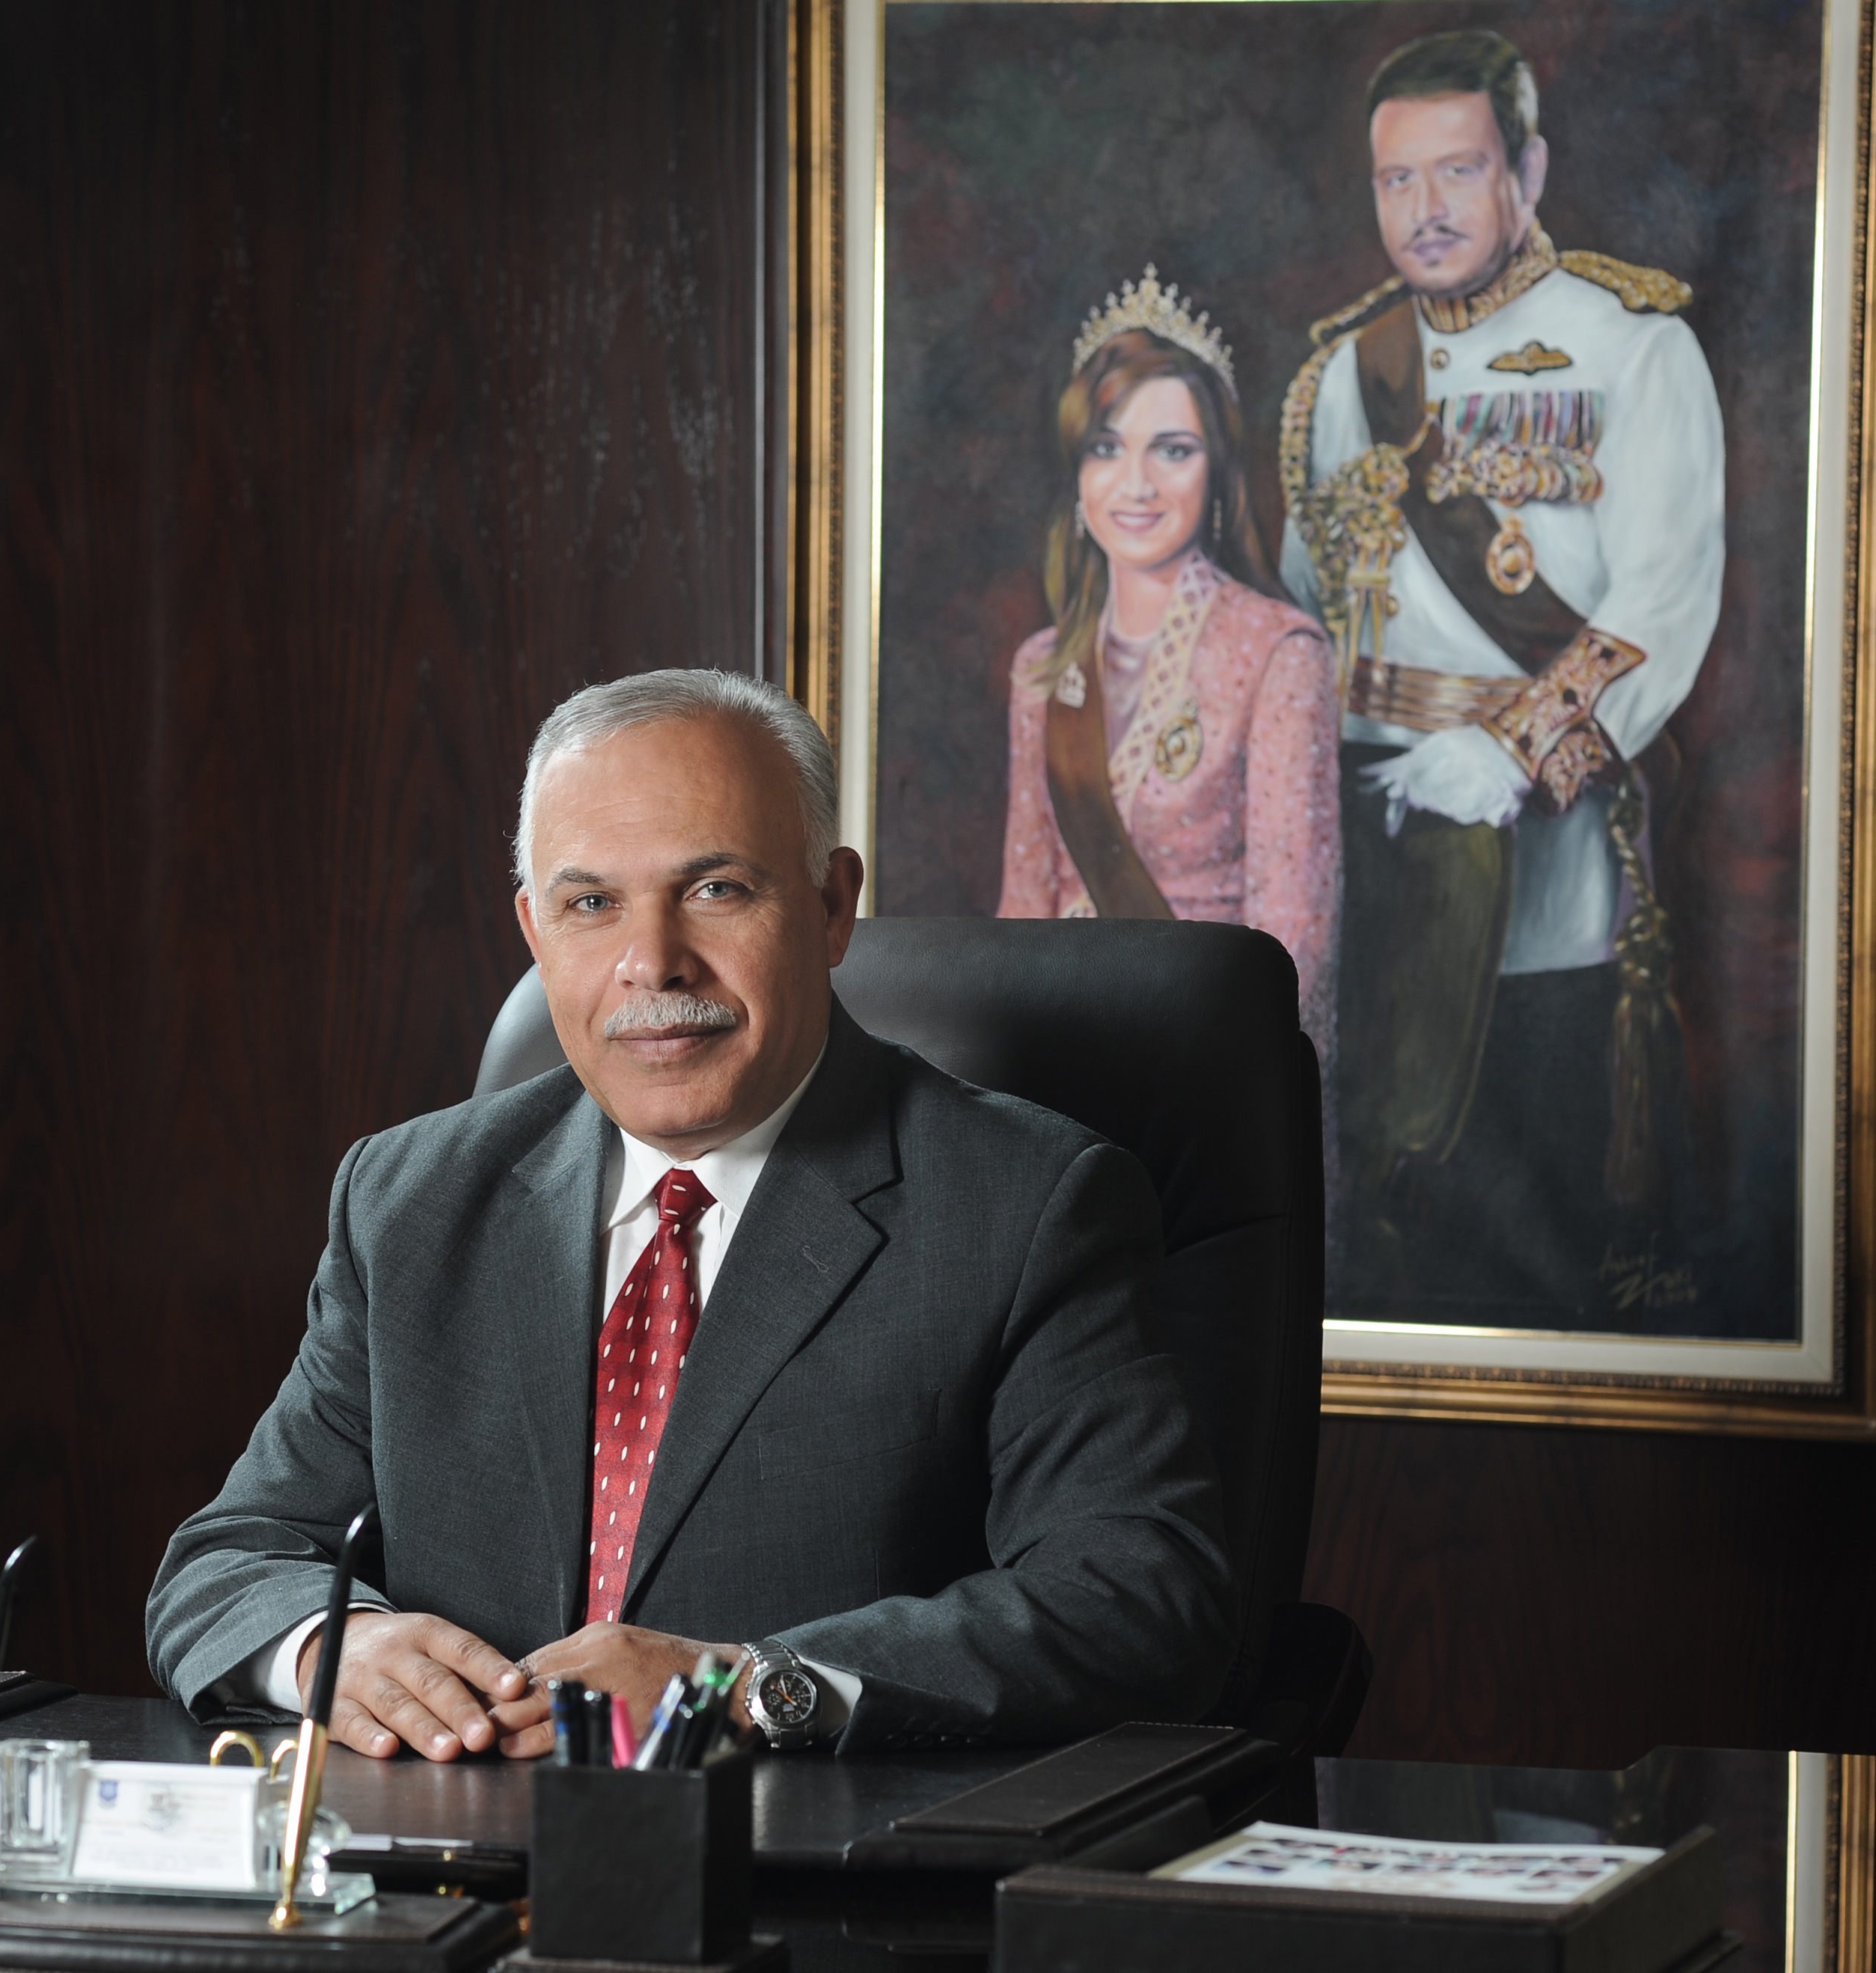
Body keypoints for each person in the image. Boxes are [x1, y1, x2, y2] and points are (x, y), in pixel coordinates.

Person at [147, 670, 1234, 1758]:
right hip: (446, 1842)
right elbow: (228, 1562)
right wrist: (333, 1650)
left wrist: (743, 1686)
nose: (651, 964)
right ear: (535, 930)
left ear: (831, 906)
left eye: (715, 888)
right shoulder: (410, 1200)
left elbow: (1138, 1596)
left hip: (799, 1850)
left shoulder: (1028, 1203)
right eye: (591, 904)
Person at [1274, 30, 1724, 1324]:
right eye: (1395, 179)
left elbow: (1663, 602)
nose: (1422, 209)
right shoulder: (1341, 373)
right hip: (1370, 852)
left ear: (1527, 170)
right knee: (1373, 1214)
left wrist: (1515, 748)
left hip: (1537, 858)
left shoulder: (1631, 346)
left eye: (1457, 170)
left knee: (1527, 1233)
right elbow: (1306, 615)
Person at [997, 271, 1341, 1068]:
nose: (1136, 484)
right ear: (1078, 476)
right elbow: (1022, 907)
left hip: (1210, 1061)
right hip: (1061, 1052)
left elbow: (1296, 933)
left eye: (1173, 450)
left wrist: (1194, 1069)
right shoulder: (1042, 669)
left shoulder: (1281, 654)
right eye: (1106, 448)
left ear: (1216, 474)